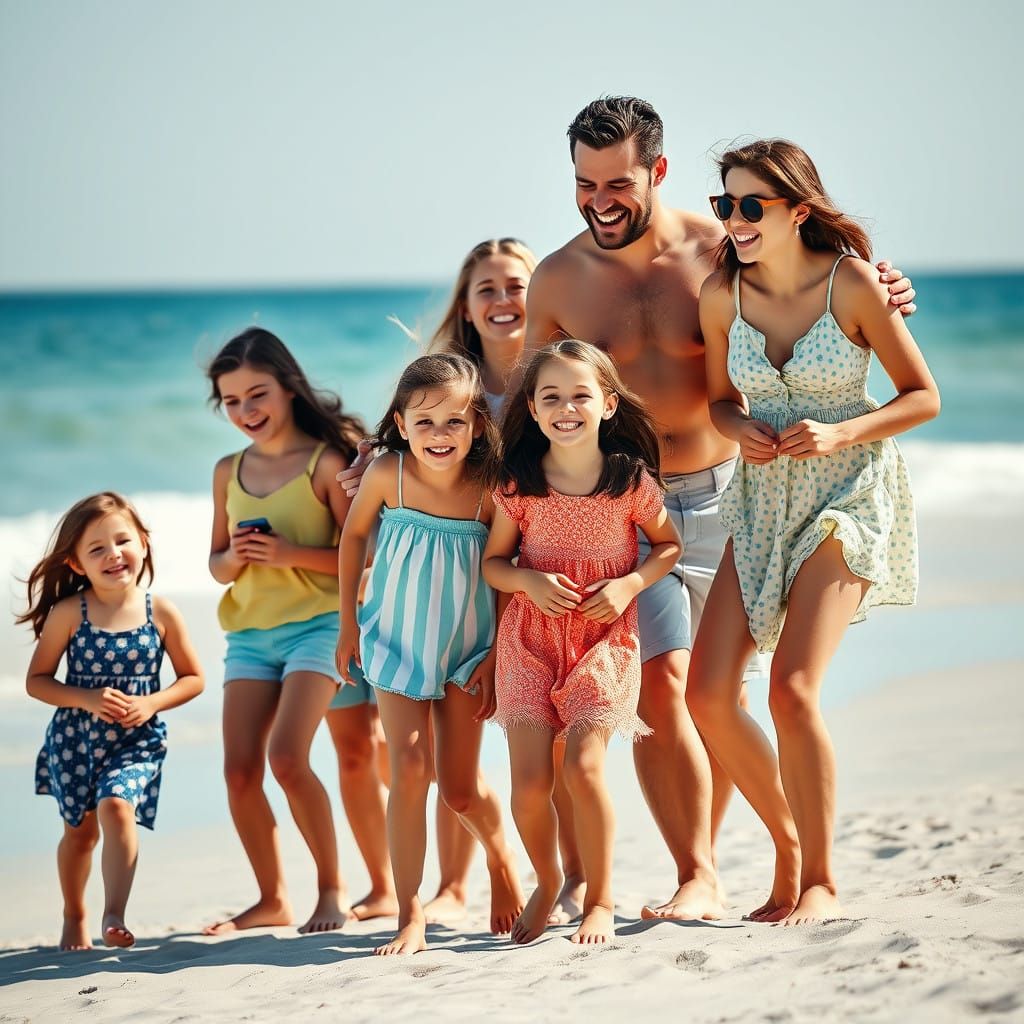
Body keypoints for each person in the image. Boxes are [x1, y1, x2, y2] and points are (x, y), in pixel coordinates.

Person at [522, 95, 918, 920]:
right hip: (633, 512)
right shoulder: (558, 278)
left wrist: (883, 286)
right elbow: (524, 399)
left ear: (658, 173)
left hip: (740, 496)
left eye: (619, 182)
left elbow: (820, 297)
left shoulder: (726, 251)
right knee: (665, 692)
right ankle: (696, 871)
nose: (600, 200)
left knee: (725, 698)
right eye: (584, 183)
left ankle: (787, 861)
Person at [688, 139, 939, 924]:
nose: (733, 219)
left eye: (750, 205)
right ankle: (787, 850)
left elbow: (922, 396)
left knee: (794, 691)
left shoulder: (853, 284)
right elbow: (719, 402)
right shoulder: (721, 292)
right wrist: (739, 430)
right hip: (763, 498)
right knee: (706, 696)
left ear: (799, 209)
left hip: (849, 493)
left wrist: (843, 434)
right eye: (723, 204)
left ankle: (822, 881)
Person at [483, 340, 681, 945]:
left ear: (609, 404)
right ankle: (547, 879)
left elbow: (667, 547)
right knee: (530, 784)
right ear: (535, 412)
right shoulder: (518, 484)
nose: (566, 407)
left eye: (580, 395)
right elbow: (494, 564)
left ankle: (599, 899)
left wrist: (629, 585)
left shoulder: (630, 482)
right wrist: (527, 579)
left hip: (605, 638)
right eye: (551, 398)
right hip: (530, 638)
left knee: (584, 766)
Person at [335, 353, 524, 955]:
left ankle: (500, 863)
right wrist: (347, 625)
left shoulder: (490, 488)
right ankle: (409, 913)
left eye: (454, 422)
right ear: (400, 422)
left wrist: (496, 653)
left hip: (468, 649)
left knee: (460, 790)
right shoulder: (387, 474)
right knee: (410, 772)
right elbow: (354, 537)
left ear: (477, 425)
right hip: (395, 640)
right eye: (424, 422)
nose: (439, 436)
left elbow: (502, 570)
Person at [203, 327, 389, 934]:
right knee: (238, 770)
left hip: (321, 626)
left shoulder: (325, 462)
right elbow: (216, 564)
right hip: (250, 633)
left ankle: (333, 891)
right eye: (232, 402)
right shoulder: (227, 470)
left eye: (257, 395)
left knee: (290, 756)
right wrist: (238, 557)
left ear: (288, 388)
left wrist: (287, 554)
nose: (246, 411)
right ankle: (272, 898)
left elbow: (362, 560)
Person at [20, 492, 204, 950]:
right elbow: (38, 681)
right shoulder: (69, 613)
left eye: (122, 540)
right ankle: (74, 913)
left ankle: (113, 913)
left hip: (137, 738)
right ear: (77, 564)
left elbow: (193, 678)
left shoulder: (159, 612)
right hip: (76, 739)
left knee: (118, 805)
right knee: (79, 834)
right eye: (96, 548)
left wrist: (152, 703)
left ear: (143, 543)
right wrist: (84, 697)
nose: (113, 554)